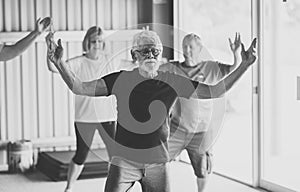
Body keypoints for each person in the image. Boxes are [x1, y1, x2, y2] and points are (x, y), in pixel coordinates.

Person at [46, 30, 256, 192]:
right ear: (134, 55)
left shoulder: (172, 81)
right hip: (124, 161)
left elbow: (212, 91)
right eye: (144, 50)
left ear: (160, 54)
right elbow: (79, 87)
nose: (150, 55)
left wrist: (244, 65)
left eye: (155, 50)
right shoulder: (121, 79)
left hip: (157, 162)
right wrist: (59, 62)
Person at [159, 33, 241, 192]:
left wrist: (236, 55)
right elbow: (151, 71)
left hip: (201, 132)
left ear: (200, 49)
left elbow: (233, 70)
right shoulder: (172, 68)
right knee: (158, 160)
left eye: (191, 47)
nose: (186, 50)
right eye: (184, 46)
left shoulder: (210, 68)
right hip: (177, 128)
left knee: (202, 171)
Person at [45, 26, 117, 192]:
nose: (97, 45)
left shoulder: (110, 60)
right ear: (87, 43)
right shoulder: (79, 62)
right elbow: (53, 67)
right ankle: (69, 188)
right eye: (93, 41)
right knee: (81, 156)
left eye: (100, 41)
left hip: (107, 116)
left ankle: (115, 187)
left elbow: (132, 66)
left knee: (115, 156)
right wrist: (49, 49)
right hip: (85, 118)